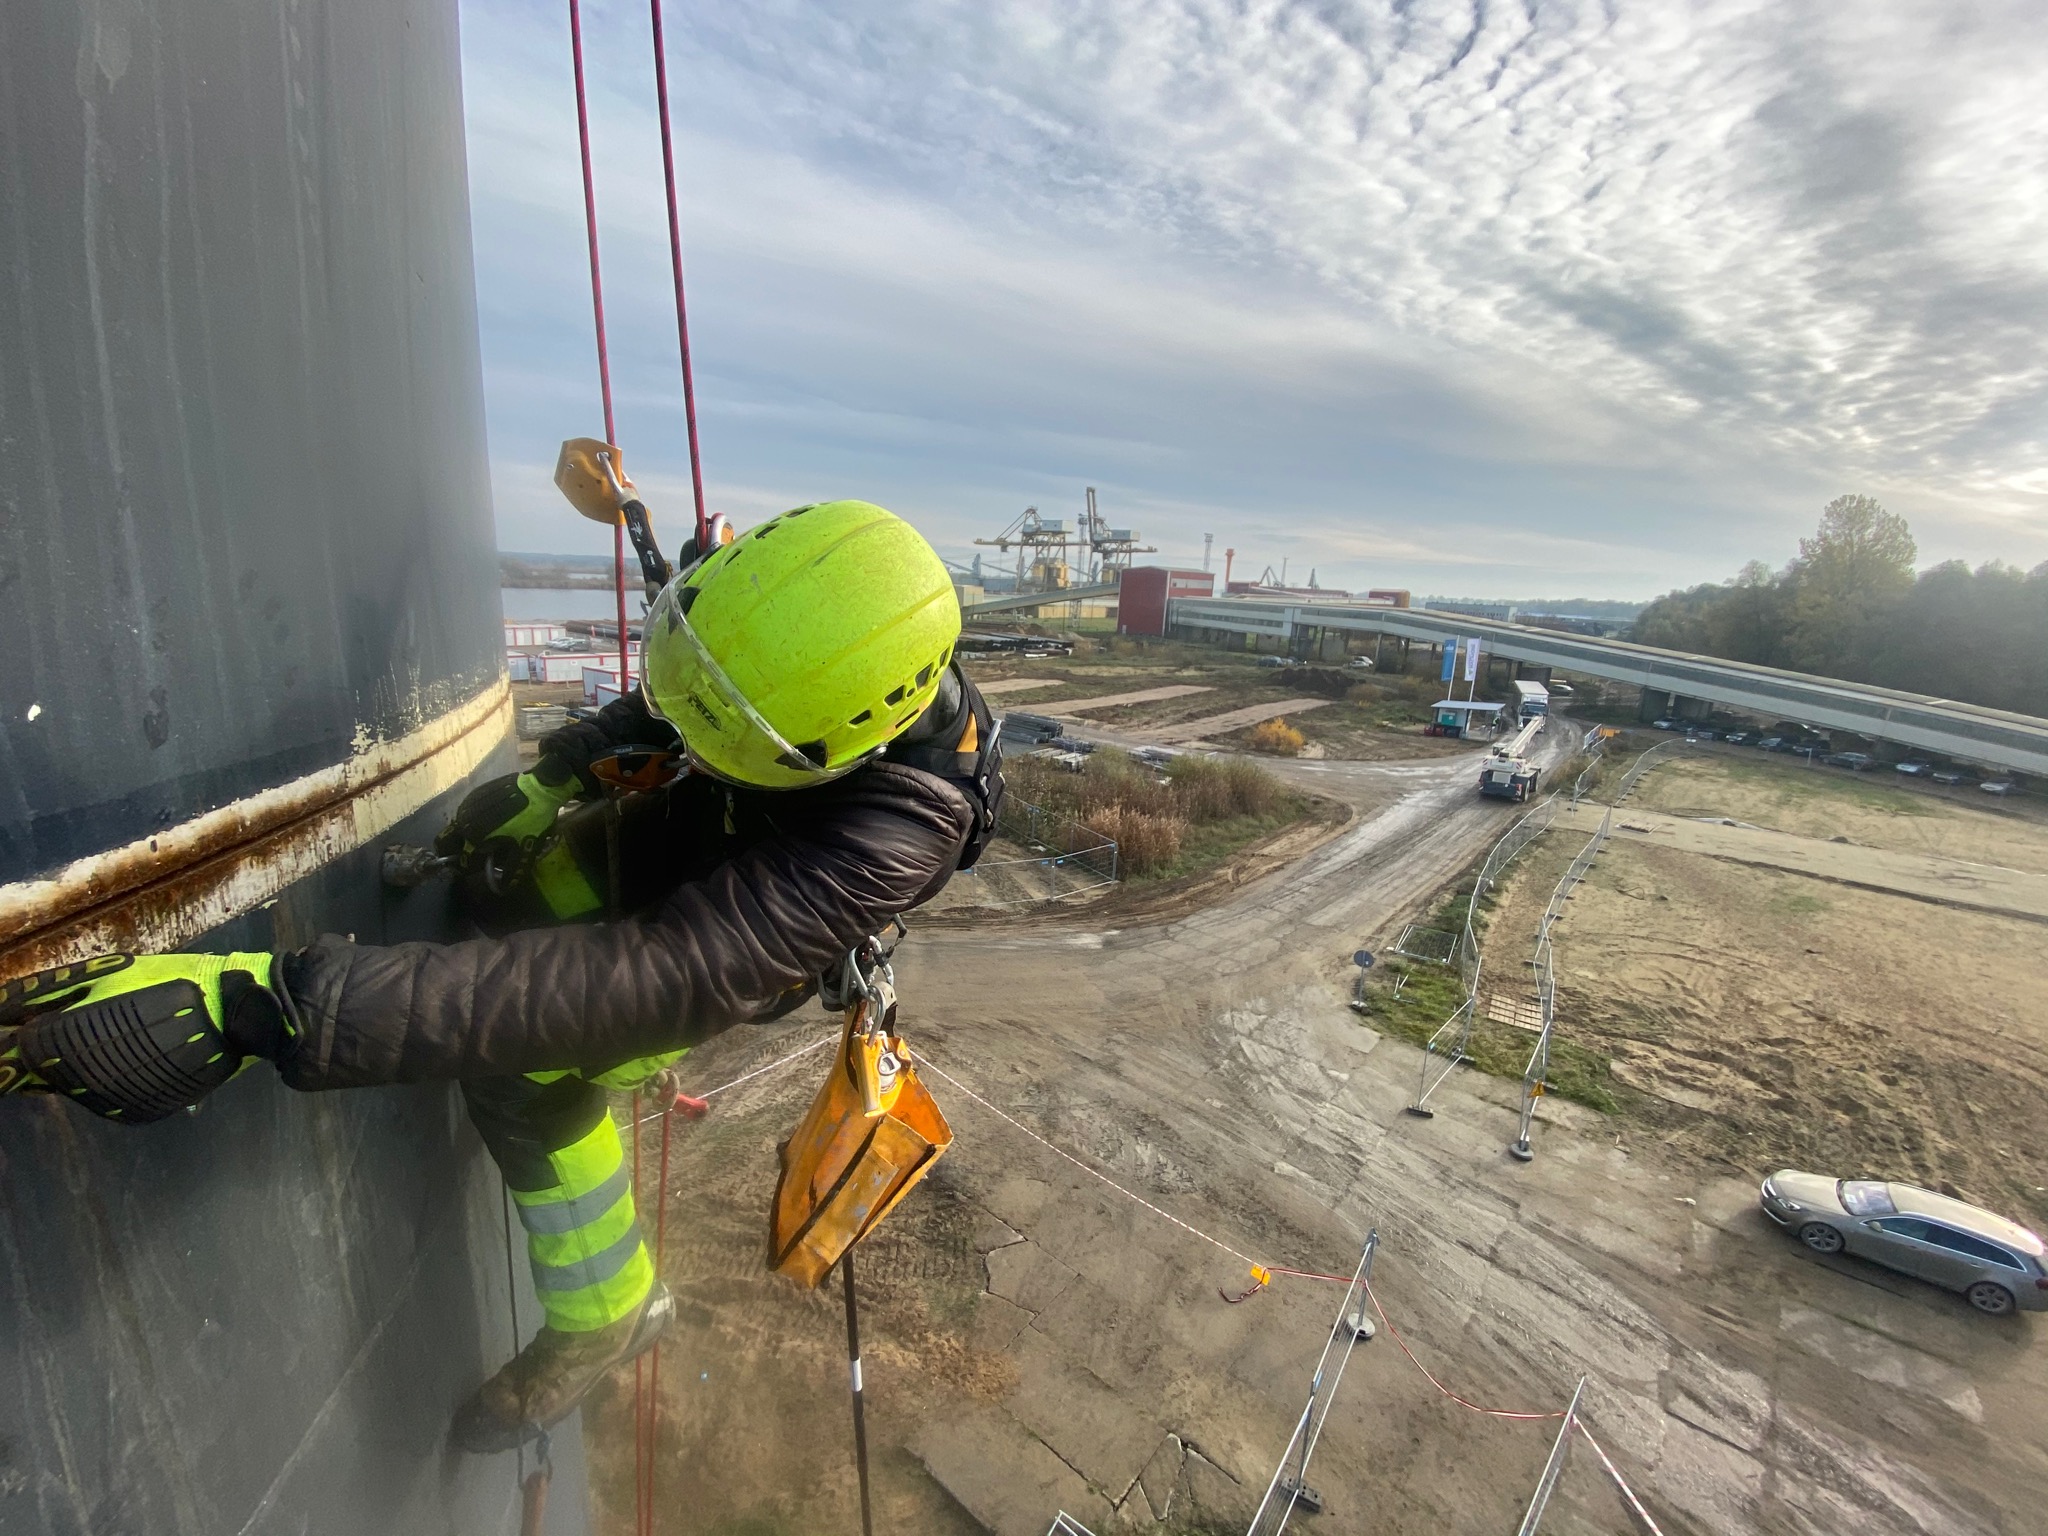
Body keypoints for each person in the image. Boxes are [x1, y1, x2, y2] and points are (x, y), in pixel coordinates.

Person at [0, 500, 1003, 1450]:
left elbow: (643, 978)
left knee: (528, 1080)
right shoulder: (816, 628)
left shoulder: (900, 832)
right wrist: (556, 774)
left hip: (729, 943)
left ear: (850, 747)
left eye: (720, 730)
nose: (692, 724)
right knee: (521, 886)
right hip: (715, 821)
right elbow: (690, 702)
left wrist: (276, 1009)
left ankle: (608, 1310)